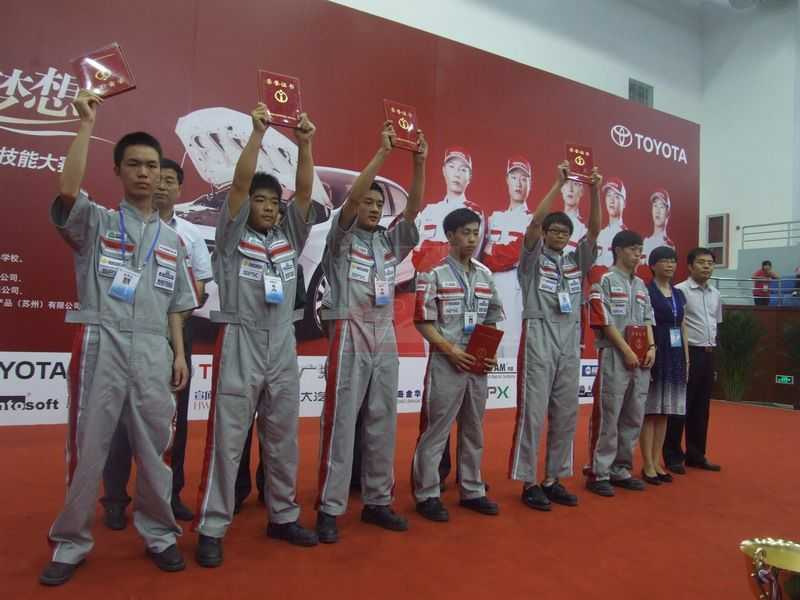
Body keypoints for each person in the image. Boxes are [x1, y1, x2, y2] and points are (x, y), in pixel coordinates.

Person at [41, 90, 198, 585]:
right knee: (88, 447)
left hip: (154, 349)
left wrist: (178, 354)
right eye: (134, 164)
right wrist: (86, 124)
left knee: (156, 447)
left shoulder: (173, 240)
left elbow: (177, 304)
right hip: (102, 342)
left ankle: (160, 534)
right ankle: (70, 542)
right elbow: (68, 189)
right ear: (118, 171)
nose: (144, 173)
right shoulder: (98, 222)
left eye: (152, 165)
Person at [193, 104, 319, 568]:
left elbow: (303, 192)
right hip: (240, 342)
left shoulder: (289, 238)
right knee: (227, 441)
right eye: (260, 200)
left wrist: (305, 144)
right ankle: (212, 526)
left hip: (282, 344)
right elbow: (239, 186)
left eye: (273, 203)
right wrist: (257, 134)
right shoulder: (230, 238)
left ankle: (283, 516)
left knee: (283, 438)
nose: (267, 207)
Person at [315, 122, 426, 544]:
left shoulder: (386, 244)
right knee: (342, 421)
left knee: (383, 418)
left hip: (384, 333)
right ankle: (330, 507)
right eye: (368, 201)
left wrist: (419, 162)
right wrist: (382, 153)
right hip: (349, 327)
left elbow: (411, 212)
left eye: (380, 203)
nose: (375, 207)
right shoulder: (340, 238)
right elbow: (352, 199)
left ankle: (378, 500)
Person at [101, 158, 213, 529]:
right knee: (119, 418)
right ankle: (115, 498)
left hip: (176, 333)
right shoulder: (121, 225)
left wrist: (175, 314)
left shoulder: (190, 235)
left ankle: (170, 494)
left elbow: (198, 286)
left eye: (170, 180)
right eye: (158, 178)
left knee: (172, 421)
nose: (162, 185)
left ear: (180, 189)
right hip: (126, 331)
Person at [508, 161, 600, 510]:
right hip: (539, 336)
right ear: (545, 234)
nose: (560, 236)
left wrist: (594, 189)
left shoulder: (576, 261)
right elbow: (533, 223)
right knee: (533, 413)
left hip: (570, 339)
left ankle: (553, 478)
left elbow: (594, 231)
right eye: (554, 231)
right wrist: (557, 184)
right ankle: (529, 482)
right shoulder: (531, 260)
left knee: (565, 412)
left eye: (565, 232)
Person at [411, 208, 505, 522]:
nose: (472, 239)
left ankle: (472, 489)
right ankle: (427, 494)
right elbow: (423, 322)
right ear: (450, 236)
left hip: (476, 365)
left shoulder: (485, 275)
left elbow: (491, 318)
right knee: (436, 431)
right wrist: (450, 350)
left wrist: (490, 352)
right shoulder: (433, 274)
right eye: (466, 233)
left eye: (476, 233)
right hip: (446, 363)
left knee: (474, 430)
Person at [585, 230, 655, 497]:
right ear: (618, 250)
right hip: (615, 355)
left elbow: (647, 319)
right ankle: (599, 472)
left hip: (641, 359)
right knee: (609, 415)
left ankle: (621, 468)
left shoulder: (641, 285)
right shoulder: (603, 281)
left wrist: (652, 347)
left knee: (633, 415)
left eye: (640, 250)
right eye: (633, 249)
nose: (638, 255)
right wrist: (626, 350)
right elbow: (603, 321)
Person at [663, 247, 723, 473]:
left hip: (708, 352)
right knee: (680, 405)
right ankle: (673, 456)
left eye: (710, 263)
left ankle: (696, 455)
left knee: (701, 407)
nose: (707, 266)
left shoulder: (715, 293)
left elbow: (716, 324)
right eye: (701, 262)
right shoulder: (680, 291)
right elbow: (676, 324)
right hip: (687, 353)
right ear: (690, 266)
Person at [639, 246, 688, 485]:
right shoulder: (647, 291)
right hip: (656, 349)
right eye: (665, 261)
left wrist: (687, 359)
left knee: (665, 410)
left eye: (673, 261)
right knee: (651, 411)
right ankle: (647, 463)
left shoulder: (679, 294)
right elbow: (645, 323)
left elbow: (683, 326)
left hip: (676, 353)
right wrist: (649, 349)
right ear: (653, 265)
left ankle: (658, 461)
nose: (670, 265)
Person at [481, 157, 532, 359]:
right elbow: (484, 258)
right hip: (489, 287)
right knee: (486, 346)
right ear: (507, 180)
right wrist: (500, 255)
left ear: (530, 183)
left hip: (515, 291)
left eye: (524, 178)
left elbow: (515, 254)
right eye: (514, 177)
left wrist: (494, 251)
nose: (519, 183)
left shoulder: (532, 221)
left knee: (511, 348)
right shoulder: (493, 219)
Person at [411, 147, 485, 273]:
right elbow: (417, 253)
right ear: (444, 171)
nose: (457, 174)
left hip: (457, 280)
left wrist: (430, 250)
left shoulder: (474, 212)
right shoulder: (429, 211)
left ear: (470, 176)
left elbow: (465, 254)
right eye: (452, 167)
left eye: (463, 169)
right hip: (426, 279)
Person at [595, 177, 627, 268]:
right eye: (609, 195)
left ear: (624, 203)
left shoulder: (626, 237)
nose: (612, 200)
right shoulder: (600, 234)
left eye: (616, 196)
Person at [642, 189, 676, 263]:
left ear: (668, 212)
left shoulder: (667, 246)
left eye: (661, 207)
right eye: (655, 206)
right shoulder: (645, 241)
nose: (657, 211)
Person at [560, 178, 588, 251]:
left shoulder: (584, 228)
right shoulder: (550, 220)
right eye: (567, 183)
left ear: (581, 192)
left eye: (575, 184)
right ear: (562, 189)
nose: (571, 189)